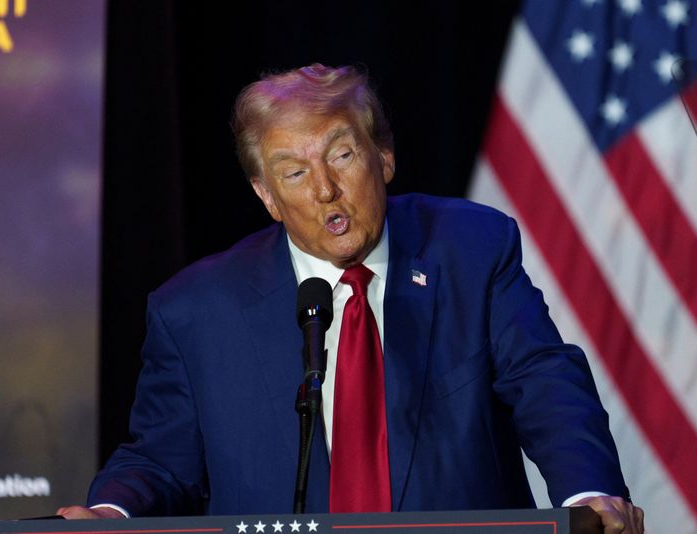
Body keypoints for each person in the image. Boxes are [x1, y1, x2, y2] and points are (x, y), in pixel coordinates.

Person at [58, 64, 644, 532]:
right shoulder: (194, 310)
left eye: (340, 154)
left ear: (382, 157)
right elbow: (161, 458)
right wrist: (110, 514)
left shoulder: (470, 249)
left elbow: (544, 381)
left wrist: (587, 496)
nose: (324, 189)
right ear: (266, 195)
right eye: (292, 173)